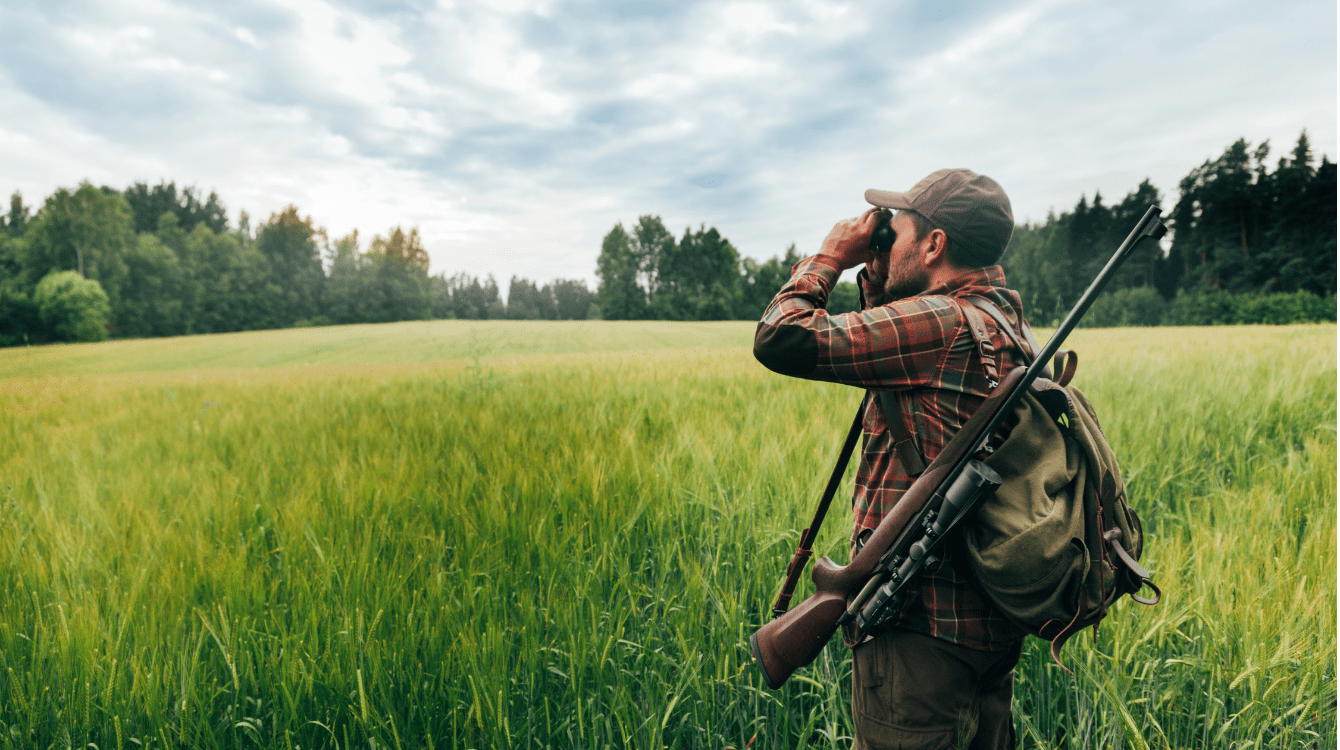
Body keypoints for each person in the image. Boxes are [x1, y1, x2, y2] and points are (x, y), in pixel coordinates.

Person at [753, 168, 1032, 750]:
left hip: (916, 634)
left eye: (894, 232)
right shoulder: (1007, 326)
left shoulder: (939, 323)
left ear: (934, 245)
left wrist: (831, 254)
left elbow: (780, 335)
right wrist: (882, 279)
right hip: (987, 626)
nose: (882, 242)